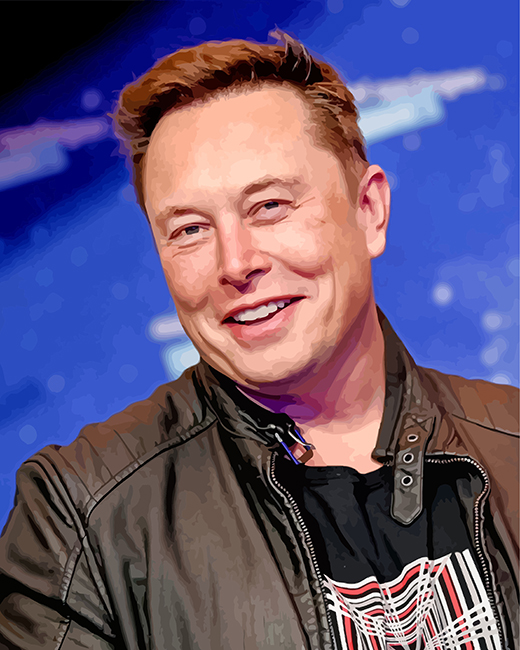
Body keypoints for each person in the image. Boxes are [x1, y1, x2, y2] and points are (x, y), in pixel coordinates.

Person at [0, 31, 518, 650]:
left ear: (369, 211)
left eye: (270, 206)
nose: (236, 263)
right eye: (190, 229)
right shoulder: (79, 516)